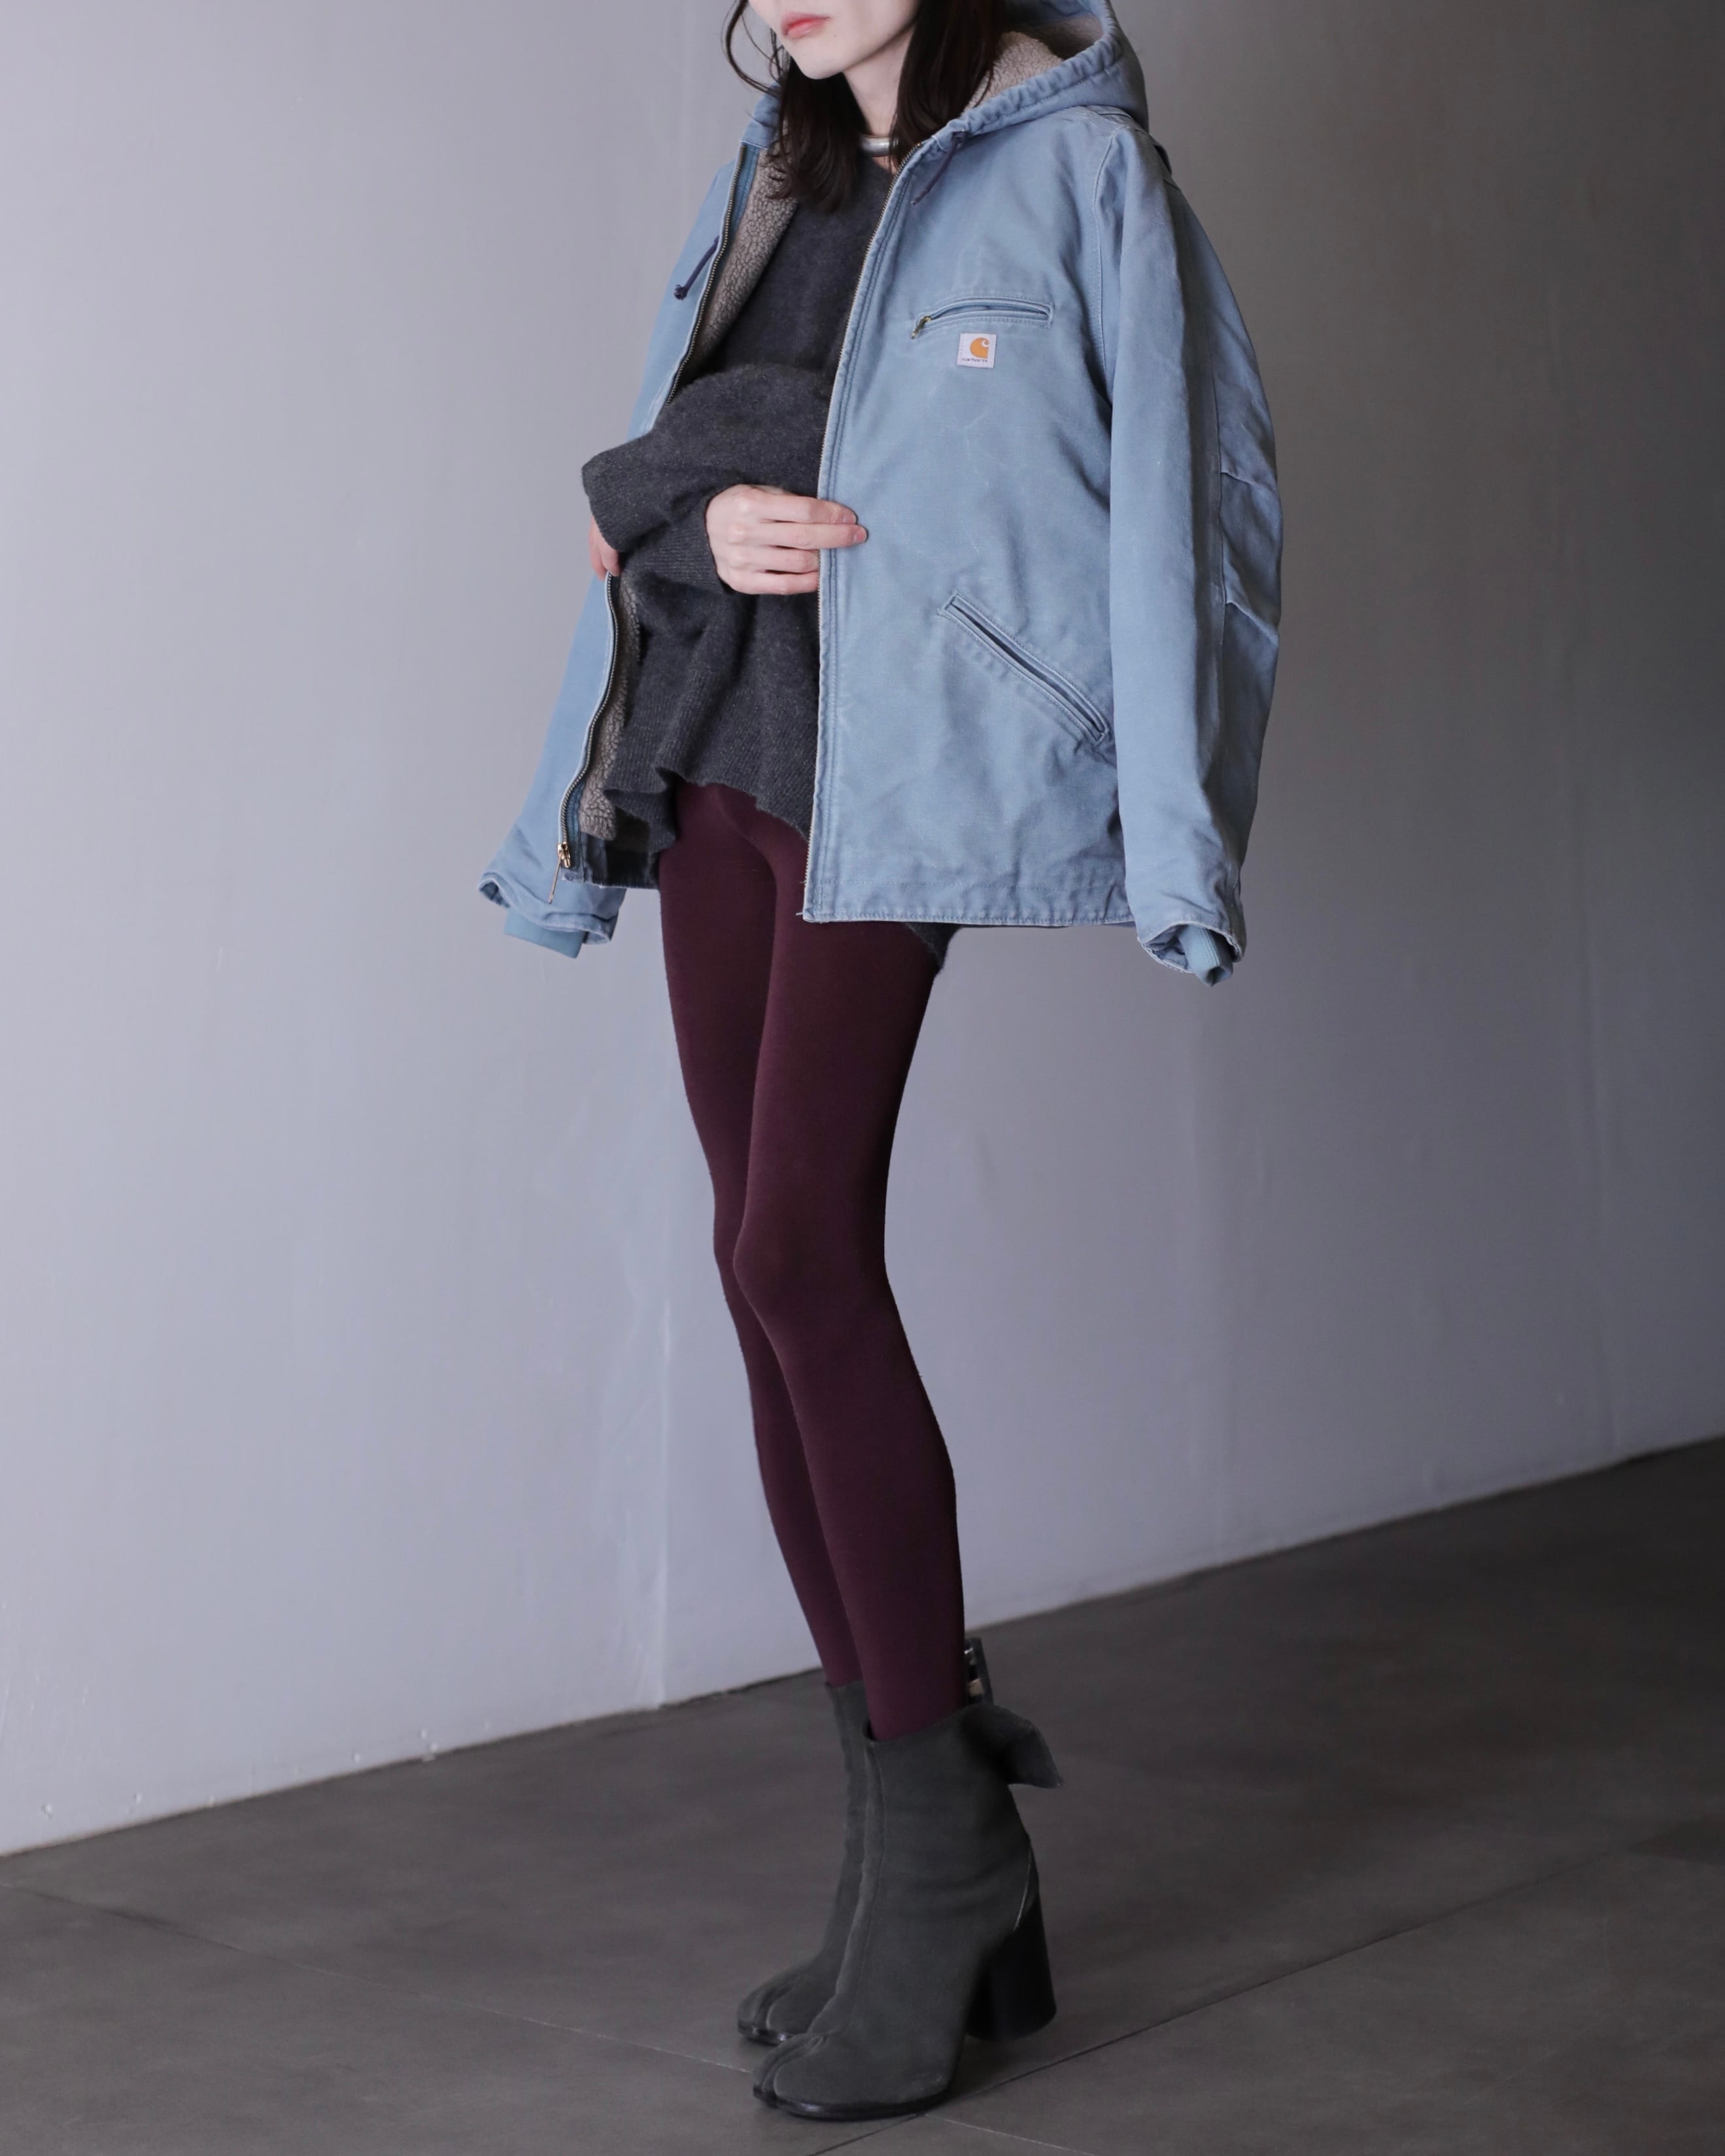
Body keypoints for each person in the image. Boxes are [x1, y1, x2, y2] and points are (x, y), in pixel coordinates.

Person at [479, 0, 1281, 2121]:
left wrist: (1183, 844)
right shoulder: (777, 172)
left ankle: (948, 1848)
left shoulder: (1079, 170)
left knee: (802, 1253)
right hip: (720, 752)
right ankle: (914, 1863)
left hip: (894, 781)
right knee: (757, 1273)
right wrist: (702, 517)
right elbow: (654, 490)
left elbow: (1188, 505)